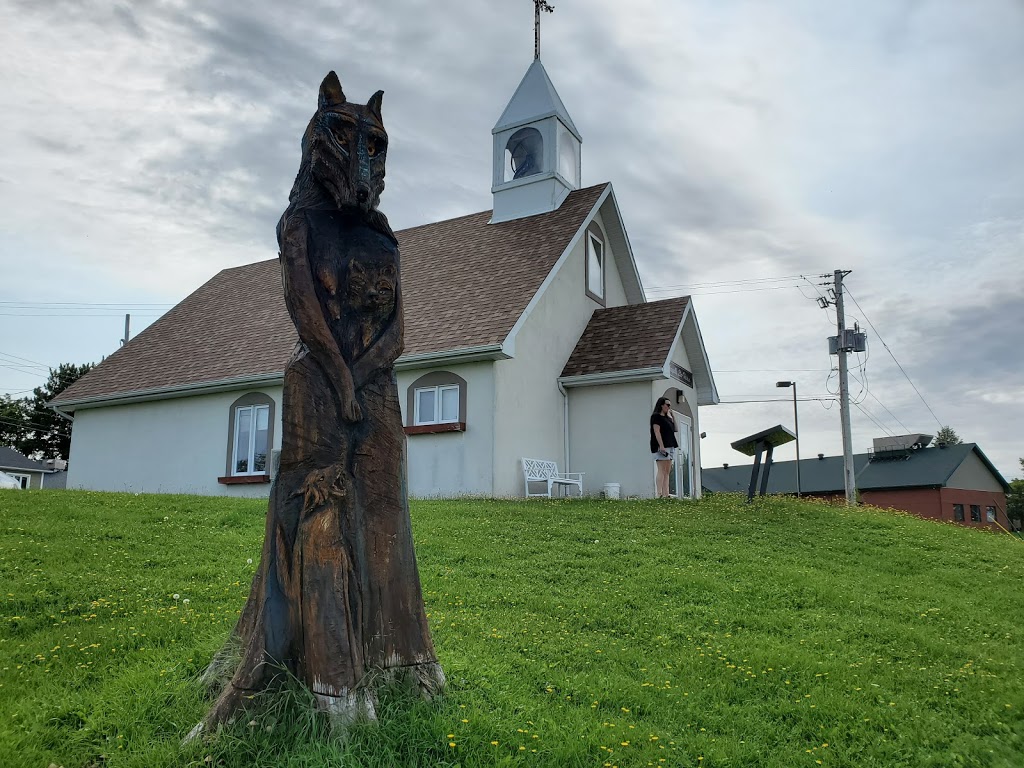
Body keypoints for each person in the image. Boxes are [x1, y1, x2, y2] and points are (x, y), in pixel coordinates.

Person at [650, 397, 678, 498]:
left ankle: (666, 494)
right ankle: (659, 493)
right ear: (662, 405)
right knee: (661, 469)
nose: (669, 407)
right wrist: (661, 446)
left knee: (667, 470)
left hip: (671, 445)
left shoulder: (668, 418)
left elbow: (676, 429)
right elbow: (656, 431)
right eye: (667, 405)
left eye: (670, 405)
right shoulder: (656, 417)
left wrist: (673, 416)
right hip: (661, 446)